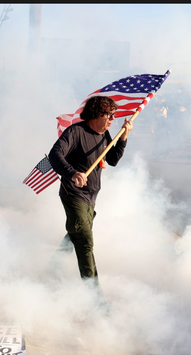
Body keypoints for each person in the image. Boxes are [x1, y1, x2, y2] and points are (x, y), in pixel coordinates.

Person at [47, 95, 133, 292]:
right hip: (73, 193)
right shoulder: (76, 131)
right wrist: (72, 172)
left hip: (92, 196)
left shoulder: (104, 134)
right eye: (109, 115)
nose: (113, 119)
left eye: (114, 115)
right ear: (96, 114)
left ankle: (54, 266)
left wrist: (124, 137)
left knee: (76, 233)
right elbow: (55, 154)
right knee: (85, 242)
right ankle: (94, 297)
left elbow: (112, 159)